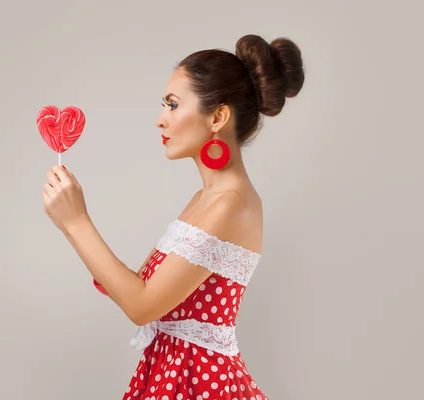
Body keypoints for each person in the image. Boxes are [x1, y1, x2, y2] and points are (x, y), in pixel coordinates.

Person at [41, 33, 305, 400]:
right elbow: (138, 289)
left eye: (172, 105)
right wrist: (68, 220)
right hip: (171, 373)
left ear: (218, 116)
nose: (160, 121)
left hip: (199, 383)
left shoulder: (231, 204)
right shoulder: (206, 199)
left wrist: (76, 221)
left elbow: (141, 305)